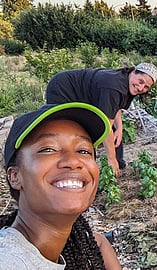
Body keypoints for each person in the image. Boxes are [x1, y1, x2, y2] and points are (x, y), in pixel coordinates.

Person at [0, 102, 122, 269]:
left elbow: (99, 241)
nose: (73, 161)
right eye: (48, 149)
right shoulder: (10, 261)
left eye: (84, 151)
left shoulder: (72, 243)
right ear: (15, 176)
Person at [45, 63, 157, 177]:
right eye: (141, 81)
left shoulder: (127, 83)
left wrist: (119, 128)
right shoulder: (114, 85)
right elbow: (105, 126)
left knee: (114, 134)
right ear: (133, 72)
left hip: (85, 97)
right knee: (76, 133)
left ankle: (118, 167)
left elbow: (115, 106)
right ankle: (72, 171)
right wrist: (111, 159)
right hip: (63, 89)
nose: (140, 88)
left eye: (146, 87)